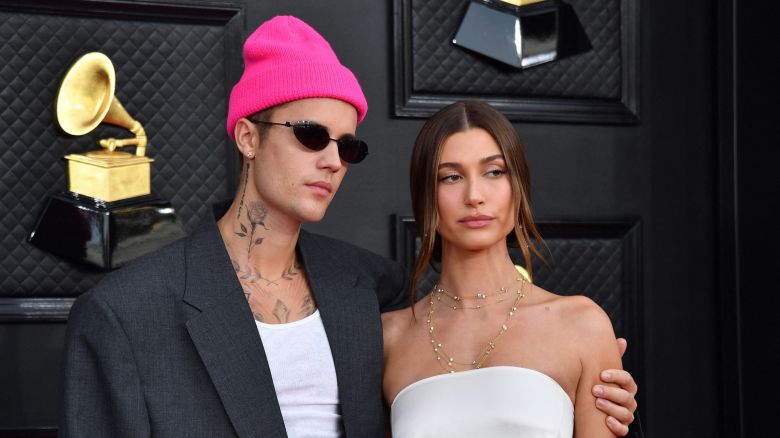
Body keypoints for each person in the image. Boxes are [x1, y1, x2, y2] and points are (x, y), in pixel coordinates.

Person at [60, 16, 637, 437]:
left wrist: (607, 400)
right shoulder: (125, 314)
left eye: (348, 145)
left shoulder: (374, 292)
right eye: (311, 135)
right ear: (248, 136)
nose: (333, 160)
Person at [383, 100, 633, 437]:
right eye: (451, 177)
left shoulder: (581, 324)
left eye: (494, 172)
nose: (474, 195)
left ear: (519, 187)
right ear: (425, 197)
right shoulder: (389, 339)